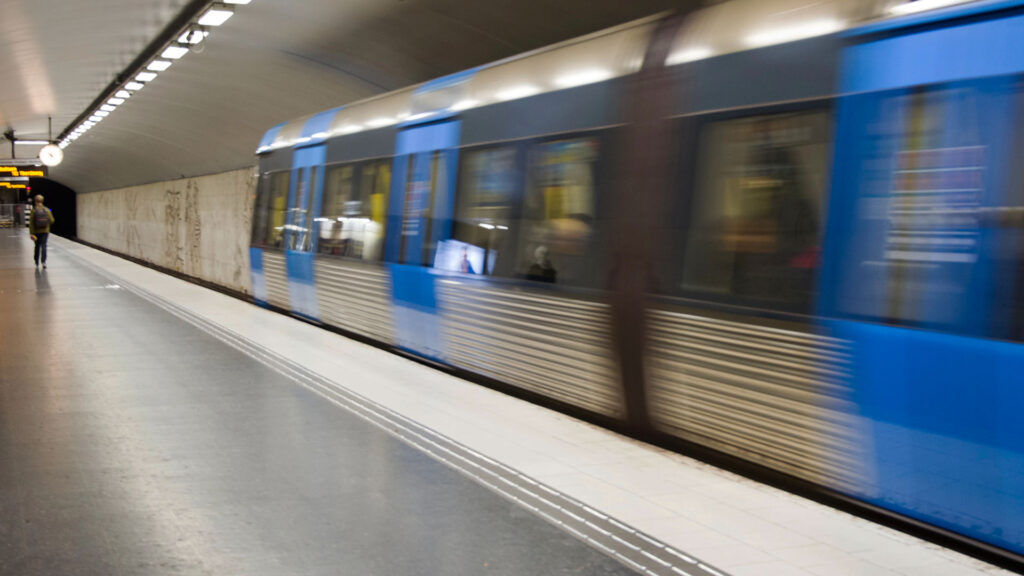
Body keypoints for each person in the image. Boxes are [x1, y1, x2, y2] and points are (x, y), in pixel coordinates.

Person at [28, 194, 54, 269]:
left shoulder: (34, 210)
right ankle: (44, 262)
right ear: (42, 201)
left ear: (35, 201)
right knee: (44, 245)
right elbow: (52, 220)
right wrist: (47, 225)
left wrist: (31, 233)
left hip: (36, 232)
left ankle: (36, 262)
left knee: (37, 246)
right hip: (45, 231)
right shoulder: (46, 209)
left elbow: (31, 223)